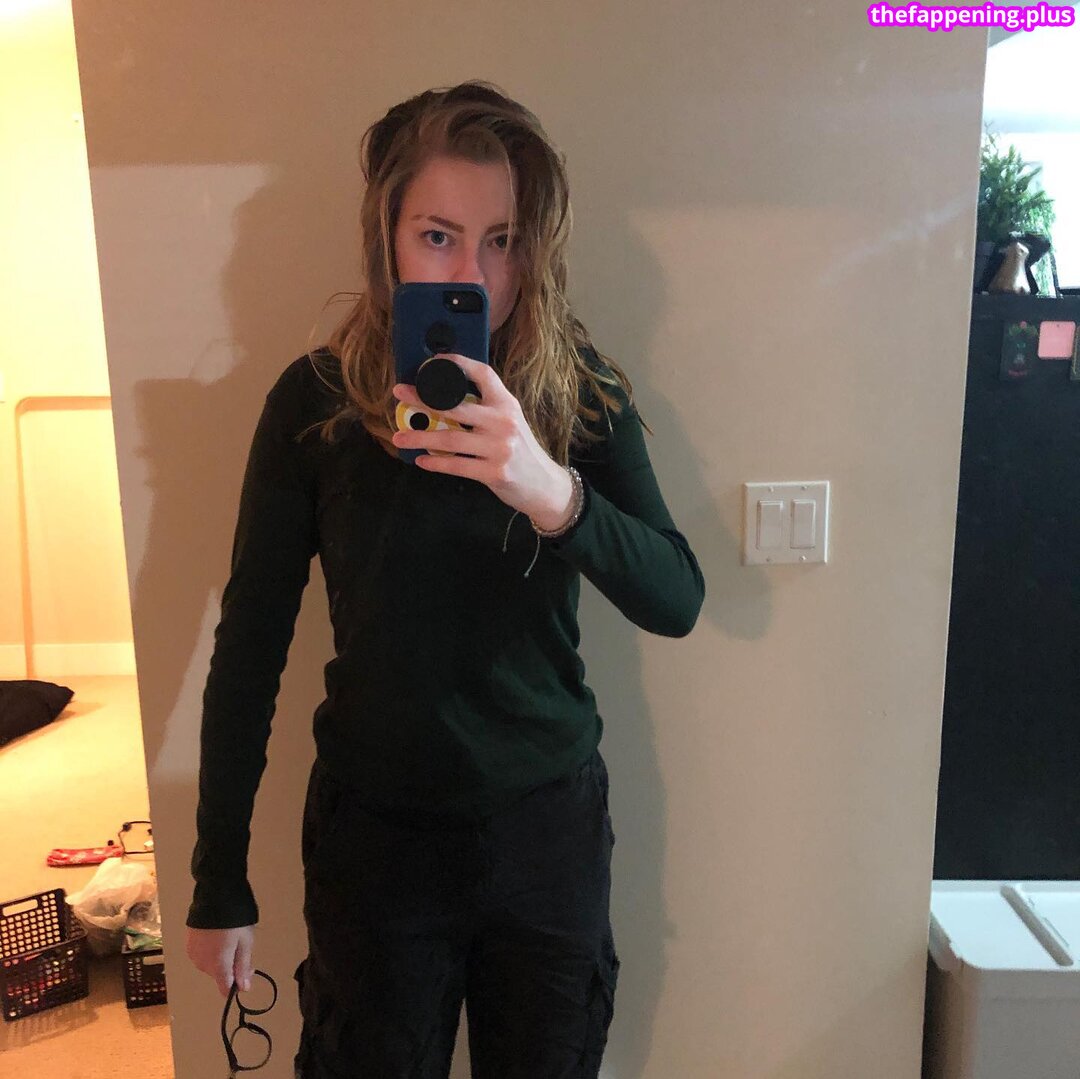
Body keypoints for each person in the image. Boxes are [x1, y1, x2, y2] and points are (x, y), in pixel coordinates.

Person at [185, 79, 705, 1078]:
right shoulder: (316, 407)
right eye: (438, 236)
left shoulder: (576, 392)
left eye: (502, 240)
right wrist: (219, 877)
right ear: (386, 235)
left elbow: (677, 596)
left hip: (546, 829)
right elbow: (248, 646)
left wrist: (551, 490)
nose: (473, 272)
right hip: (377, 841)